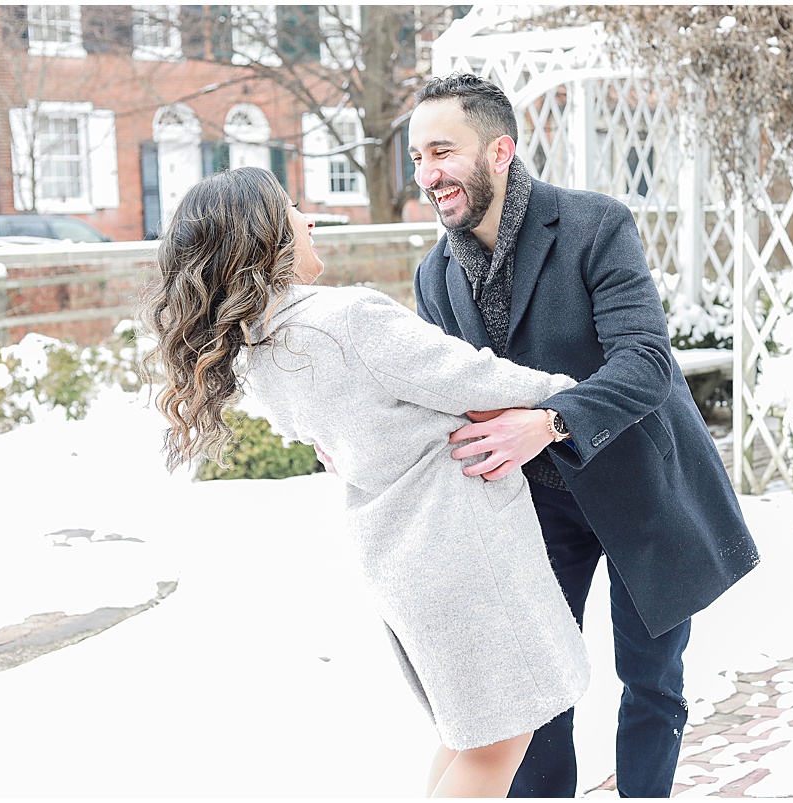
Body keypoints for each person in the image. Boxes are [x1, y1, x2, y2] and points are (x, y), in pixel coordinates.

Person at [137, 166, 592, 797]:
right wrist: (582, 400)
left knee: (472, 737)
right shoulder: (346, 320)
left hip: (403, 560)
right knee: (496, 747)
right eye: (293, 209)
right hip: (463, 557)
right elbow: (478, 380)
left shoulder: (264, 351)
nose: (309, 219)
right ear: (266, 236)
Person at [408, 74, 762, 797]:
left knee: (653, 683)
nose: (427, 174)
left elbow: (647, 361)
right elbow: (436, 390)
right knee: (534, 694)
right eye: (417, 157)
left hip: (640, 485)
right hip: (532, 510)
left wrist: (549, 421)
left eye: (442, 151)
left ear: (499, 149)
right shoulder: (433, 276)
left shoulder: (596, 223)